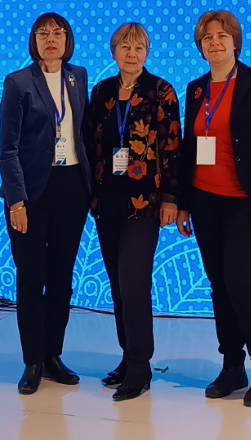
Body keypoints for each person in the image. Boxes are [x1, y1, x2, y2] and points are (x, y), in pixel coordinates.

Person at [177, 10, 251, 407]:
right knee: (219, 285)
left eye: (222, 36)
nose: (215, 42)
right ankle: (232, 366)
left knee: (240, 282)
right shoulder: (195, 89)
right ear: (200, 46)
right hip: (204, 200)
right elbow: (189, 149)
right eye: (207, 37)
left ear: (235, 42)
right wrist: (184, 203)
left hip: (245, 202)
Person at [0, 12, 91, 395]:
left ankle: (53, 354)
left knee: (62, 278)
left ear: (67, 39)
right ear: (33, 40)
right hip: (31, 192)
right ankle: (32, 361)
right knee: (32, 277)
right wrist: (16, 201)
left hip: (72, 186)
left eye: (57, 32)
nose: (50, 38)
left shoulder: (78, 76)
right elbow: (8, 149)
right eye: (42, 33)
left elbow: (83, 133)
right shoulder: (18, 82)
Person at [88, 22, 181, 401]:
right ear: (114, 52)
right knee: (117, 285)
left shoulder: (162, 91)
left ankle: (141, 368)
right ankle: (128, 358)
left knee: (134, 283)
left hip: (146, 203)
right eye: (125, 46)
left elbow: (172, 147)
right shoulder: (102, 92)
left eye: (139, 47)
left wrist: (172, 198)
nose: (132, 53)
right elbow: (90, 144)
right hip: (107, 200)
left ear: (147, 52)